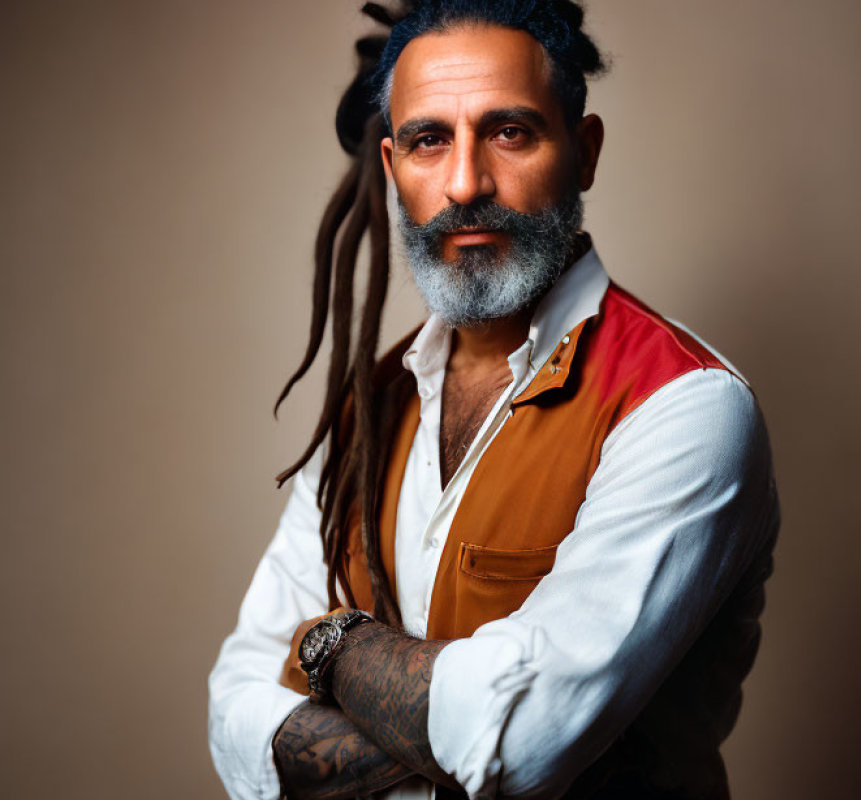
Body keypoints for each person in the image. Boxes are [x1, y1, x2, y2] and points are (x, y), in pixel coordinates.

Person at [208, 2, 780, 799]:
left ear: (583, 152)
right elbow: (233, 709)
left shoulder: (685, 407)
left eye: (510, 132)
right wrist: (458, 719)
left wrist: (327, 645)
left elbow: (519, 746)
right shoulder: (366, 410)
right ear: (392, 162)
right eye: (429, 138)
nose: (466, 182)